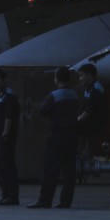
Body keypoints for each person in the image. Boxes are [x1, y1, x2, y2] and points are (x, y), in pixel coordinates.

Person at [29, 66, 80, 209]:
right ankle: (65, 201)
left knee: (50, 169)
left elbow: (43, 110)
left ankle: (45, 200)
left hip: (56, 135)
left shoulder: (54, 95)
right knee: (69, 171)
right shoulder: (74, 94)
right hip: (72, 136)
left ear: (56, 79)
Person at [0, 68, 20, 206]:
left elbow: (9, 116)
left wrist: (5, 133)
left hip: (4, 137)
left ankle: (12, 196)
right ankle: (5, 195)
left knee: (7, 166)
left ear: (3, 80)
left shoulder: (9, 96)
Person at [77, 62, 107, 152]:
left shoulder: (96, 89)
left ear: (89, 75)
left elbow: (89, 110)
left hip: (93, 132)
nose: (80, 79)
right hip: (88, 131)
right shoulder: (89, 89)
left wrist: (76, 121)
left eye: (81, 76)